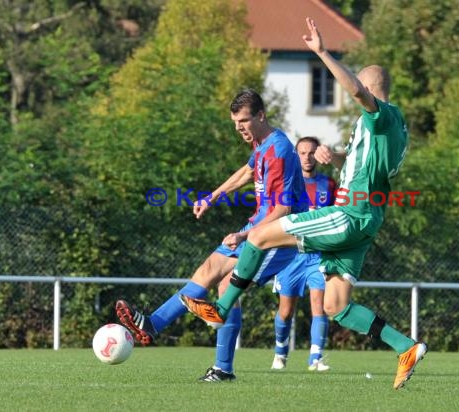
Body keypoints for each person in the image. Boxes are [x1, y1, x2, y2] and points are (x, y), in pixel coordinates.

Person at [181, 17, 427, 390]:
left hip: (350, 213)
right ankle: (405, 347)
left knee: (259, 237)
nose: (352, 92)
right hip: (367, 218)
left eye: (359, 86)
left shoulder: (380, 114)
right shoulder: (395, 126)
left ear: (372, 89)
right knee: (336, 306)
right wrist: (340, 158)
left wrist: (323, 52)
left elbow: (359, 90)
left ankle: (221, 307)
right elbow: (369, 168)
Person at [115, 89, 307, 382]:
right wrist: (212, 197)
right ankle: (156, 328)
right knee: (209, 272)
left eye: (243, 121)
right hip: (259, 227)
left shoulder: (279, 150)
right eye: (235, 122)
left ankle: (215, 361)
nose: (239, 128)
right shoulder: (261, 143)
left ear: (260, 115)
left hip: (280, 235)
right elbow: (247, 171)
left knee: (227, 284)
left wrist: (244, 237)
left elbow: (283, 208)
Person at [271, 136, 336, 372]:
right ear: (295, 155)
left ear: (318, 154)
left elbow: (337, 215)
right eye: (302, 153)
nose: (307, 157)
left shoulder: (328, 184)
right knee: (286, 311)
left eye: (311, 152)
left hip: (317, 255)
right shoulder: (286, 183)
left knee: (320, 305)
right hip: (290, 255)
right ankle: (280, 352)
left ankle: (315, 358)